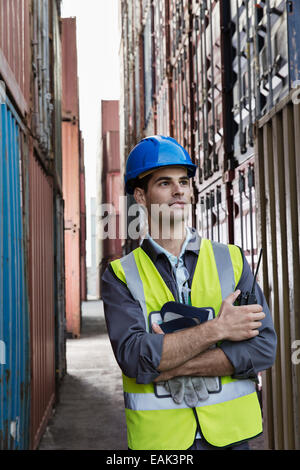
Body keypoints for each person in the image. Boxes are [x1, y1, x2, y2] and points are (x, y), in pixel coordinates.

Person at [101, 135, 277, 451]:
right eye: (165, 183)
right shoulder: (120, 276)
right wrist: (218, 330)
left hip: (231, 438)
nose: (179, 190)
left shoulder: (231, 260)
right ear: (141, 196)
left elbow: (263, 348)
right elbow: (135, 358)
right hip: (163, 444)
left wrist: (173, 363)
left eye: (184, 181)